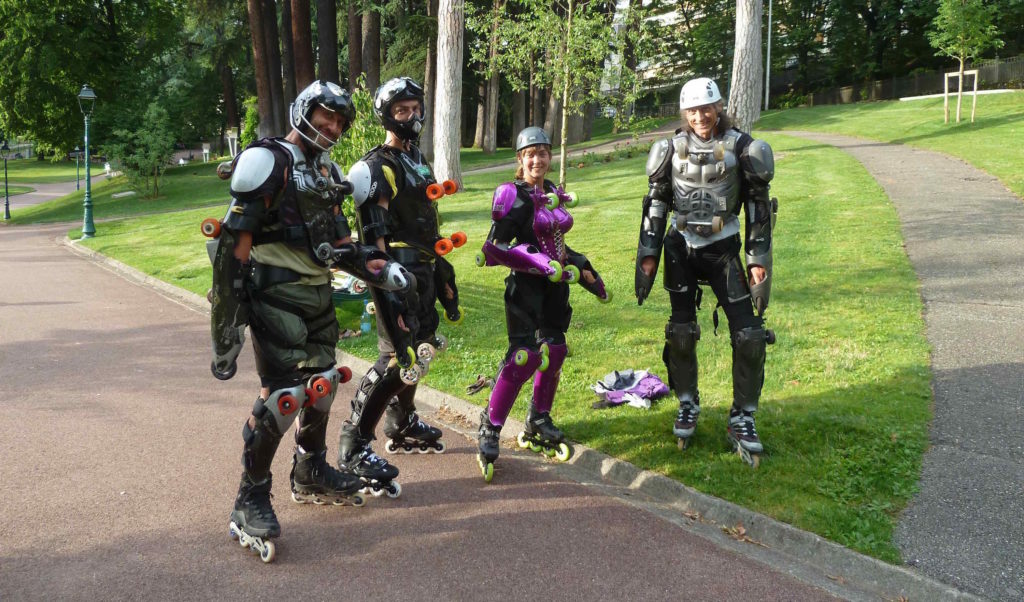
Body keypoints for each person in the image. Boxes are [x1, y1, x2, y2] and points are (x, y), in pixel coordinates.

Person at [212, 80, 416, 561]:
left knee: (323, 383)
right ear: (303, 110)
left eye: (340, 122)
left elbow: (339, 244)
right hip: (274, 293)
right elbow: (233, 244)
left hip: (317, 293)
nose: (333, 127)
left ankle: (310, 468)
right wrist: (226, 323)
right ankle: (251, 496)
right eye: (326, 117)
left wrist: (381, 268)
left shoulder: (326, 169)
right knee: (284, 396)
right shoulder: (268, 160)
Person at [634, 77, 776, 467]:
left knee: (749, 333)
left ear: (719, 107)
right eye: (693, 111)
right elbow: (657, 202)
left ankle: (742, 415)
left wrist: (757, 260)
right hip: (680, 247)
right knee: (680, 330)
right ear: (684, 113)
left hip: (723, 247)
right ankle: (686, 402)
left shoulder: (745, 149)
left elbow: (758, 210)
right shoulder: (669, 149)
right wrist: (648, 253)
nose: (700, 116)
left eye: (707, 109)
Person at [338, 76, 462, 495]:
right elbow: (375, 235)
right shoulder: (379, 166)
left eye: (414, 108)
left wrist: (440, 266)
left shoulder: (417, 159)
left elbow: (424, 218)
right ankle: (353, 443)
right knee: (396, 357)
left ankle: (402, 420)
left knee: (421, 350)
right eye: (401, 111)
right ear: (386, 116)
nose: (411, 116)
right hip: (395, 275)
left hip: (424, 268)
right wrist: (390, 278)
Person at [475, 126, 611, 482]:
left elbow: (558, 248)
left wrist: (583, 269)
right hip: (525, 289)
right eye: (530, 154)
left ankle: (538, 418)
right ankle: (490, 426)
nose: (537, 159)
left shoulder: (551, 192)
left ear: (550, 158)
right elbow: (495, 248)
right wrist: (537, 263)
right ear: (520, 159)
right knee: (525, 356)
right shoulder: (511, 195)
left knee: (556, 348)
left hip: (555, 290)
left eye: (543, 153)